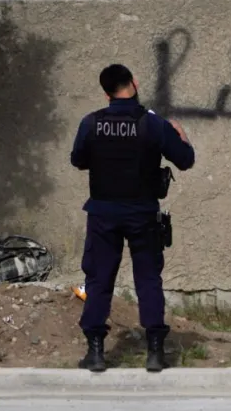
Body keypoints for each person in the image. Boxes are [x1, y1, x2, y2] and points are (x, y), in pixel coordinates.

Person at [70, 64, 195, 373]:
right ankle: (155, 351)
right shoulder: (153, 124)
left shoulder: (91, 122)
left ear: (106, 93)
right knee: (149, 279)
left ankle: (96, 352)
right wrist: (182, 136)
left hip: (103, 214)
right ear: (134, 83)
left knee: (99, 280)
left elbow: (78, 160)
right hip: (142, 213)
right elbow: (186, 160)